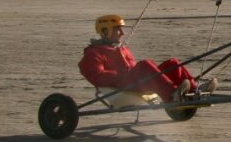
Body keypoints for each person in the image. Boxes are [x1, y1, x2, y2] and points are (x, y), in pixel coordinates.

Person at [79, 14, 209, 103]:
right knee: (144, 64)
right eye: (118, 30)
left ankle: (193, 90)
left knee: (172, 63)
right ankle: (172, 95)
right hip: (121, 86)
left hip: (135, 81)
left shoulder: (121, 48)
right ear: (105, 31)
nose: (122, 33)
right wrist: (122, 74)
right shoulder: (94, 53)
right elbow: (97, 77)